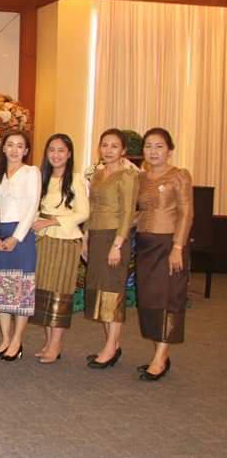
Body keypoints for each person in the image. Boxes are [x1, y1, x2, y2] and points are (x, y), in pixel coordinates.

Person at [134, 127, 193, 381]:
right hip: (145, 246)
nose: (153, 151)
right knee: (149, 300)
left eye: (159, 146)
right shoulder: (141, 178)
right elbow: (138, 212)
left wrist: (177, 247)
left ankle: (160, 357)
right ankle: (158, 352)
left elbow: (186, 213)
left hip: (169, 245)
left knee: (169, 299)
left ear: (169, 150)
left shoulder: (179, 175)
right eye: (148, 146)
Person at [30, 134, 89, 364]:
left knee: (60, 293)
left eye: (61, 150)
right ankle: (48, 342)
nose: (56, 155)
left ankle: (56, 344)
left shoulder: (75, 179)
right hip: (44, 240)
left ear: (69, 154)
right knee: (44, 292)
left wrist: (51, 221)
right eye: (52, 150)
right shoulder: (42, 178)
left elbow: (83, 213)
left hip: (65, 240)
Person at [85, 128, 138, 369]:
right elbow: (91, 208)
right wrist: (86, 238)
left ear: (123, 150)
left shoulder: (127, 175)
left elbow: (128, 212)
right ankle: (112, 345)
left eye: (114, 146)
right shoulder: (97, 175)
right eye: (104, 145)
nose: (108, 150)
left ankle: (110, 346)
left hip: (115, 237)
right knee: (101, 292)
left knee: (113, 292)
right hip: (96, 237)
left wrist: (118, 244)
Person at [0, 131, 40, 362]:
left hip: (22, 235)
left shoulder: (31, 172)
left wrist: (15, 238)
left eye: (20, 146)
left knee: (21, 289)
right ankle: (5, 339)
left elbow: (32, 207)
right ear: (3, 148)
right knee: (2, 288)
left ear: (26, 150)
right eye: (10, 145)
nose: (15, 150)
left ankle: (17, 340)